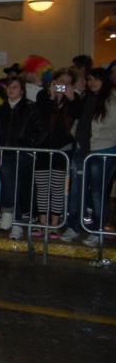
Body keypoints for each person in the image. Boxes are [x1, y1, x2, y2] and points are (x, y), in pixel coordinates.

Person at [61, 68, 116, 246]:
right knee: (76, 190)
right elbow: (77, 119)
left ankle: (97, 229)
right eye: (90, 79)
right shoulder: (86, 97)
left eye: (96, 79)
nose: (92, 83)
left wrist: (97, 134)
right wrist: (78, 133)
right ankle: (73, 226)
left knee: (97, 193)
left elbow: (111, 126)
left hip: (103, 150)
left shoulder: (112, 99)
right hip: (82, 149)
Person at [0, 76, 46, 240]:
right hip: (7, 152)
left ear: (22, 90)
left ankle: (10, 212)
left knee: (14, 179)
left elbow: (41, 130)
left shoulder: (30, 108)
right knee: (12, 183)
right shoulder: (1, 109)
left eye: (15, 87)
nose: (11, 90)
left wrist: (27, 145)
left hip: (23, 153)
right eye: (9, 86)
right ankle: (15, 222)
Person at [34, 68, 81, 239]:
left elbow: (78, 114)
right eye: (61, 82)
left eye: (67, 83)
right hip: (44, 150)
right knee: (42, 189)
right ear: (54, 82)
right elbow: (42, 114)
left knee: (57, 189)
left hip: (62, 151)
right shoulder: (43, 96)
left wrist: (71, 97)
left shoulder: (74, 100)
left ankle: (54, 224)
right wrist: (51, 96)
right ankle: (42, 222)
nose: (63, 86)